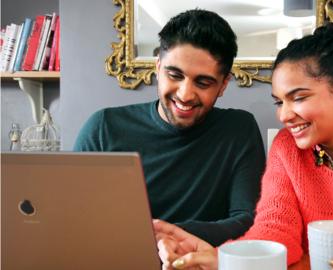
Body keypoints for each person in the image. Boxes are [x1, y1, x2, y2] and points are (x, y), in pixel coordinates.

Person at [154, 23, 333, 270]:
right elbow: (276, 230)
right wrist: (226, 258)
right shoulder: (287, 148)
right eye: (279, 101)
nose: (284, 115)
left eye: (297, 97)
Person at [73, 9, 266, 246]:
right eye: (174, 75)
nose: (185, 95)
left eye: (203, 82)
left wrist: (168, 235)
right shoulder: (103, 128)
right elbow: (76, 218)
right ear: (157, 67)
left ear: (224, 84)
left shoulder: (238, 129)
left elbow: (248, 219)